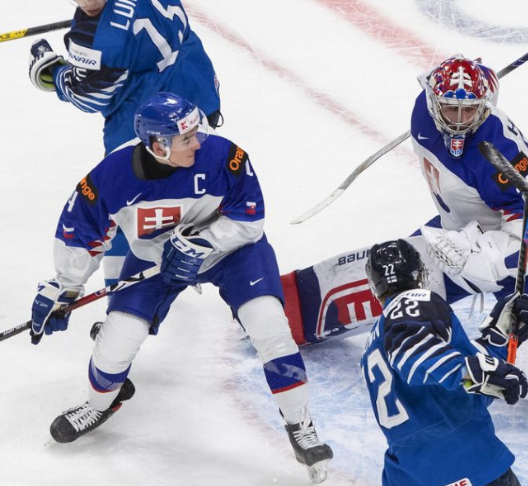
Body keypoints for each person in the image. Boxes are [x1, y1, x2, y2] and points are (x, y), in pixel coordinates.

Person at [29, 92, 332, 484]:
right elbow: (83, 232)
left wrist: (202, 242)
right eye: (186, 138)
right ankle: (100, 403)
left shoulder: (224, 156)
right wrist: (64, 287)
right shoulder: (110, 176)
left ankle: (300, 424)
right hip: (155, 260)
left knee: (271, 327)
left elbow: (250, 217)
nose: (198, 142)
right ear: (158, 145)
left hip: (234, 252)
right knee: (116, 342)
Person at [413, 54, 528, 329]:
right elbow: (470, 77)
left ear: (484, 107)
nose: (459, 121)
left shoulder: (497, 151)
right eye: (450, 108)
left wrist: (479, 261)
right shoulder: (424, 105)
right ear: (433, 100)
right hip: (467, 221)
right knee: (402, 283)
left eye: (469, 110)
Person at [360, 239, 528, 486]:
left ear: (374, 287)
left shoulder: (373, 344)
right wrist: (474, 370)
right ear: (419, 274)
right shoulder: (413, 302)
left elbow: (455, 392)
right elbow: (412, 353)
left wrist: (499, 339)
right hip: (465, 463)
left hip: (409, 473)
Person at [28, 0, 221, 155]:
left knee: (132, 198)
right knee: (202, 186)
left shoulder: (96, 38)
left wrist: (52, 72)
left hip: (147, 137)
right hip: (200, 95)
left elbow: (89, 97)